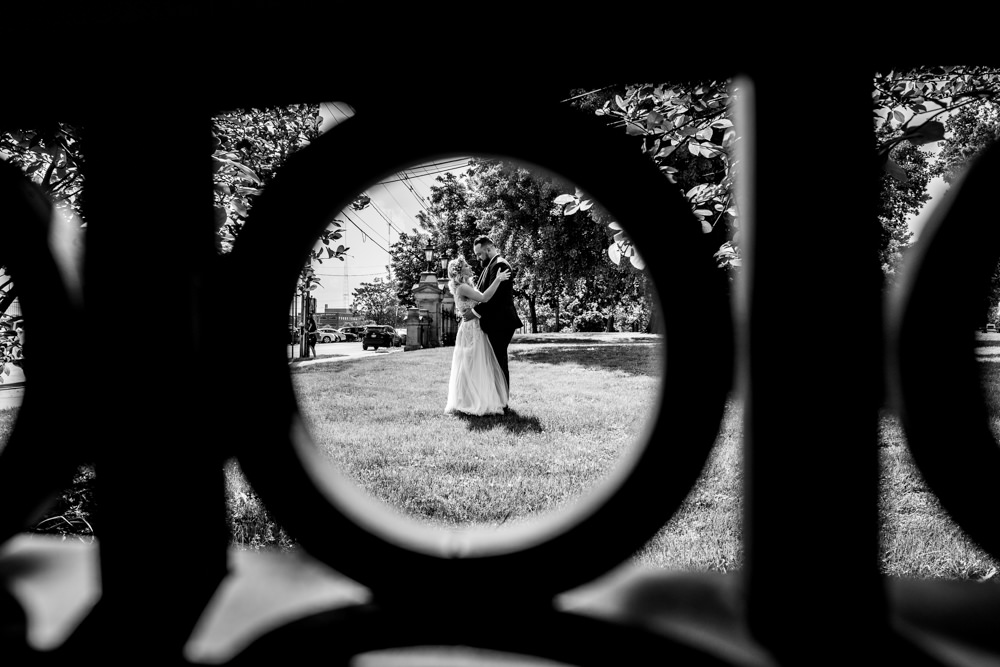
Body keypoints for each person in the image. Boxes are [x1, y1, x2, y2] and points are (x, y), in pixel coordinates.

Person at [445, 255, 512, 416]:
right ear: (460, 271)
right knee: (472, 363)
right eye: (467, 266)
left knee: (475, 363)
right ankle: (471, 401)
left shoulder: (464, 286)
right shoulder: (462, 287)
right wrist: (498, 279)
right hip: (471, 328)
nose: (470, 267)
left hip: (474, 326)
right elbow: (484, 298)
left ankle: (474, 398)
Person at [461, 236, 523, 409]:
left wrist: (474, 312)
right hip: (495, 322)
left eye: (480, 254)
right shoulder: (490, 265)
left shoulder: (500, 265)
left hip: (501, 322)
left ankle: (503, 403)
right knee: (494, 361)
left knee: (499, 362)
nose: (478, 258)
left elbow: (495, 298)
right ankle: (497, 400)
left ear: (488, 249)